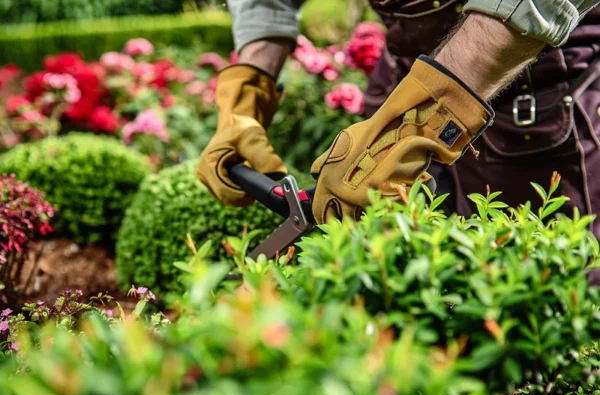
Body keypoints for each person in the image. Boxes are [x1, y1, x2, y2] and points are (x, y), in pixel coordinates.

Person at [196, 0, 600, 234]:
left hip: (528, 56)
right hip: (411, 59)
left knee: (535, 268)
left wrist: (426, 114)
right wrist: (245, 99)